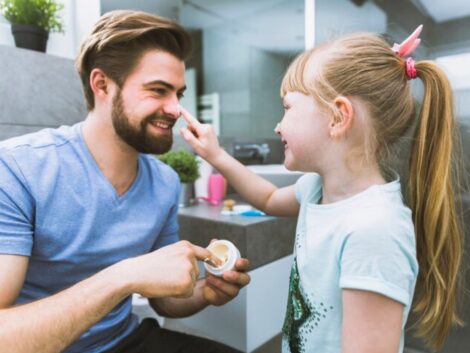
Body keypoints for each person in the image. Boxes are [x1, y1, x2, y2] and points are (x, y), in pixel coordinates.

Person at [180, 25, 464, 353]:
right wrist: (215, 155)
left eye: (287, 107)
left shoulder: (374, 231)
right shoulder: (318, 189)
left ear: (337, 117)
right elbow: (269, 198)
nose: (278, 124)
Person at [0, 10, 250, 353]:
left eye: (178, 93)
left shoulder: (163, 181)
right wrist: (123, 276)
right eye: (158, 90)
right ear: (102, 84)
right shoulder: (17, 168)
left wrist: (204, 291)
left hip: (124, 341)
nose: (176, 109)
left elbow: (164, 302)